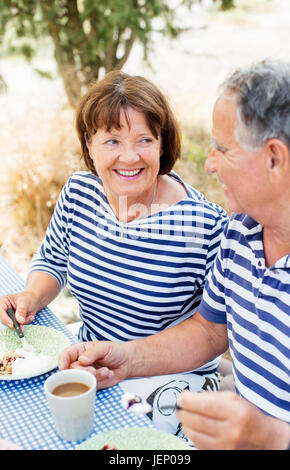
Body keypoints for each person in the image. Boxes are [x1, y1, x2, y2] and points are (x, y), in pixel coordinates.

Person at [58, 60, 290, 450]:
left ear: (273, 157)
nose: (208, 164)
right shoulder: (241, 232)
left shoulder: (212, 222)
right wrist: (125, 358)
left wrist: (274, 438)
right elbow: (208, 331)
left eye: (222, 149)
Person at [0, 70, 228, 438]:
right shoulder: (79, 193)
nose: (129, 156)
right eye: (111, 141)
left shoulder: (202, 224)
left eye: (144, 140)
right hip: (92, 357)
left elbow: (214, 331)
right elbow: (52, 261)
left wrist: (129, 362)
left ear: (162, 145)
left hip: (172, 380)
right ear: (89, 144)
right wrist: (31, 295)